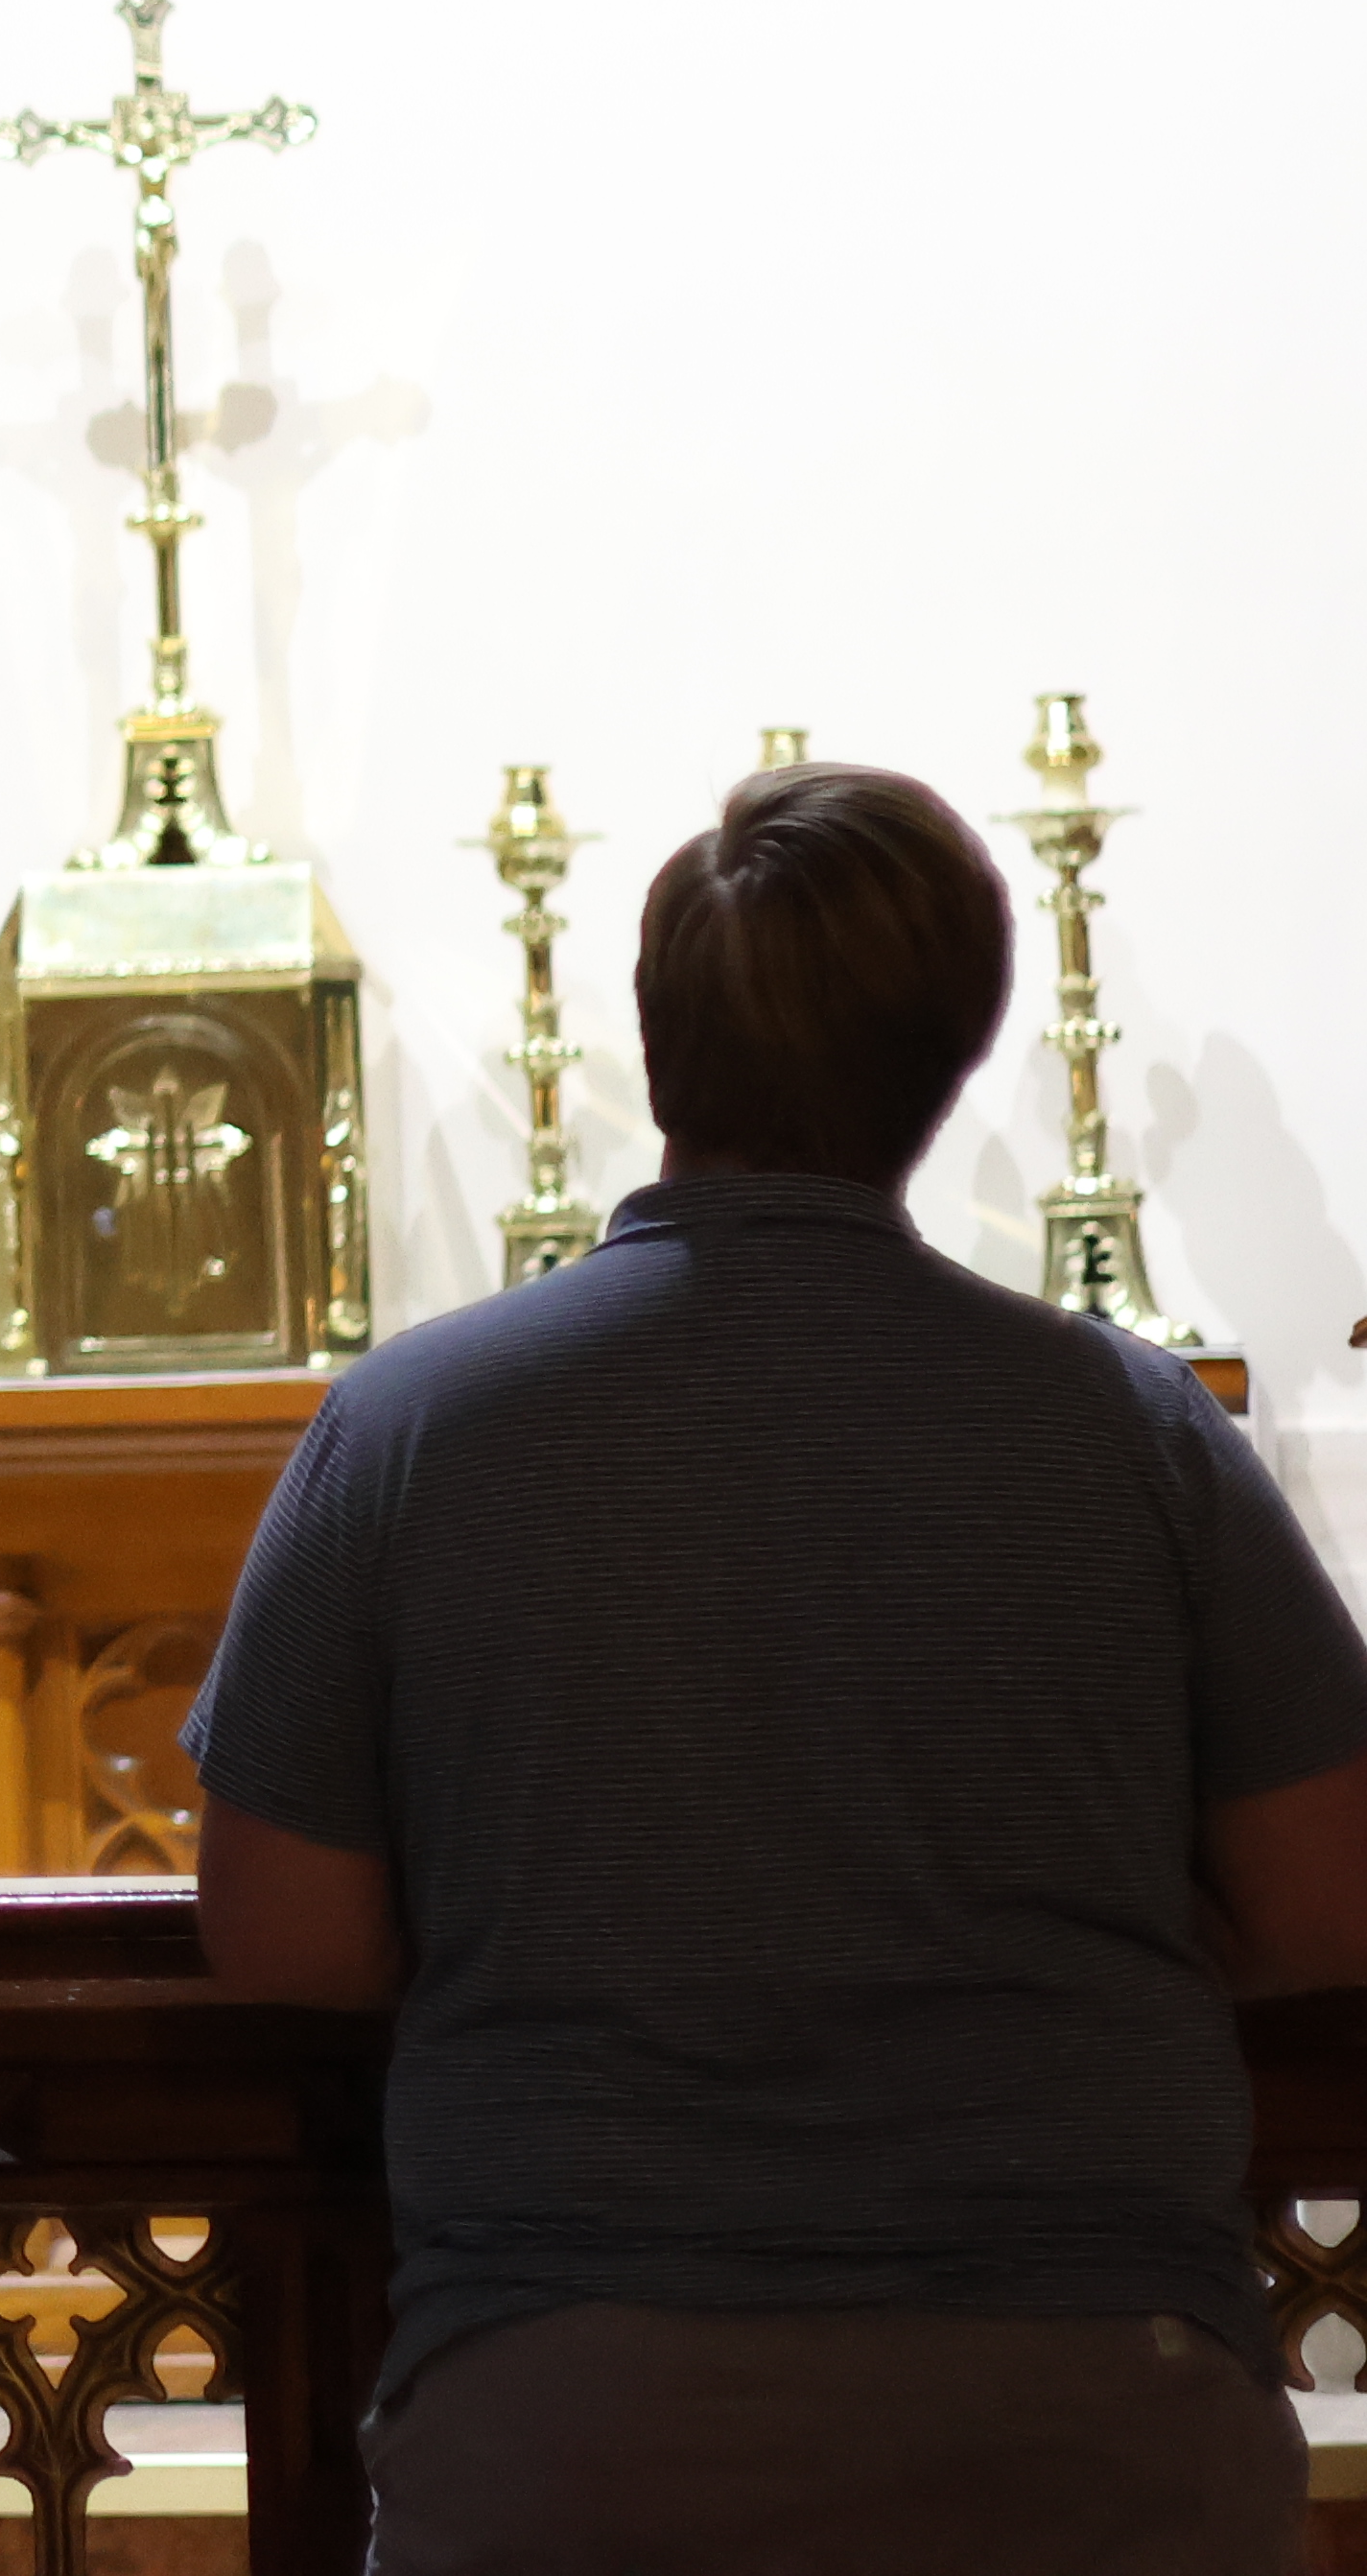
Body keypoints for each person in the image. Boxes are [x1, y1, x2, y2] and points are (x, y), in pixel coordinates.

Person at [190, 763, 1367, 2576]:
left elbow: (285, 1938)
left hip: (578, 2409)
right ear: (955, 1055)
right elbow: (1329, 1896)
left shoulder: (415, 1426)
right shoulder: (1129, 1425)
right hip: (1087, 2406)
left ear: (650, 1044)